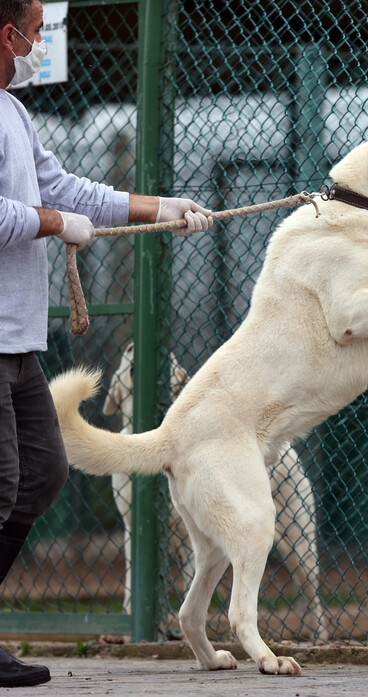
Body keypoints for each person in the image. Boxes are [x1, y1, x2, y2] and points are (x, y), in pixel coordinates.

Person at [0, 0, 213, 687]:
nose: (41, 44)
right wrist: (54, 223)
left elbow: (64, 188)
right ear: (7, 34)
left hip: (17, 340)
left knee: (42, 472)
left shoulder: (14, 112)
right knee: (4, 482)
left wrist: (160, 207)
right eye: (36, 32)